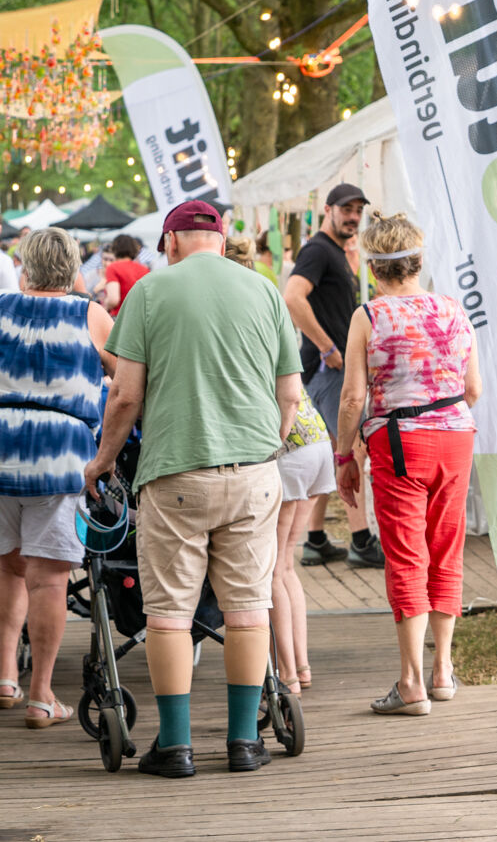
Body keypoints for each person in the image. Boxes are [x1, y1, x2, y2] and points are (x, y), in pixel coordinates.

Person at [84, 200, 301, 778]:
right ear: (222, 241)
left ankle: (176, 747)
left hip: (176, 474)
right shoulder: (264, 291)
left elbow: (125, 395)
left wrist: (103, 461)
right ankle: (243, 742)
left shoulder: (150, 292)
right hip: (253, 474)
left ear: (171, 242)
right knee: (248, 609)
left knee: (169, 614)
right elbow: (289, 395)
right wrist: (265, 450)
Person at [336, 212, 480, 716]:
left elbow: (352, 397)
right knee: (446, 550)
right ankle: (443, 671)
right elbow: (473, 389)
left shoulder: (369, 316)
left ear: (373, 267)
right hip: (456, 437)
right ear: (419, 261)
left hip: (400, 443)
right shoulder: (454, 310)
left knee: (405, 555)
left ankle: (412, 682)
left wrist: (344, 455)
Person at [0, 229, 115, 727]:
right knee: (48, 579)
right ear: (73, 270)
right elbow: (128, 380)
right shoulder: (90, 315)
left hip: (1, 448)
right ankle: (42, 696)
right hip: (60, 455)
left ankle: (5, 675)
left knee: (7, 569)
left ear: (24, 268)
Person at [227, 236, 325, 693]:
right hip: (314, 439)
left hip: (286, 446)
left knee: (269, 570)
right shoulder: (266, 307)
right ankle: (300, 665)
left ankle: (286, 673)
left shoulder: (236, 318)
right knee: (286, 566)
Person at [283, 183, 381, 569]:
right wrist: (327, 347)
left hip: (330, 368)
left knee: (331, 452)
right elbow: (292, 297)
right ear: (328, 210)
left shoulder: (335, 252)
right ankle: (361, 541)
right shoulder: (318, 250)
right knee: (351, 449)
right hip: (330, 369)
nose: (353, 216)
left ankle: (315, 539)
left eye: (358, 210)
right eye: (346, 209)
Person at [100, 234, 149, 316]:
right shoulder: (144, 269)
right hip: (140, 316)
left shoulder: (113, 268)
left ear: (115, 249)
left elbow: (113, 299)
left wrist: (105, 305)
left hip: (120, 316)